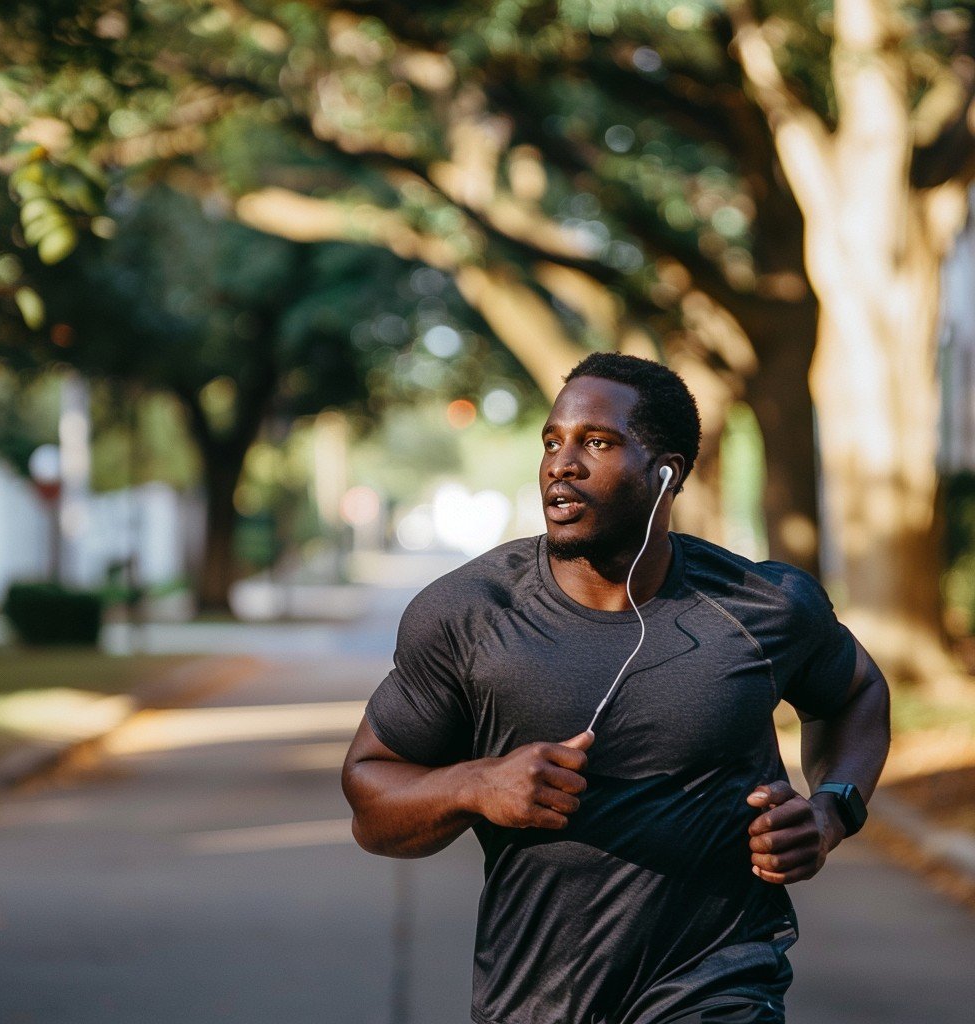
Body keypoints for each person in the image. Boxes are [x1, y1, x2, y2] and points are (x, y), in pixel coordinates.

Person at [342, 353, 891, 1024]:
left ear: (668, 474)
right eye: (552, 441)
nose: (560, 464)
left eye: (596, 442)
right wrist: (477, 786)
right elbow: (371, 799)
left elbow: (858, 692)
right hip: (535, 999)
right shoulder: (472, 613)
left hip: (717, 986)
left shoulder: (762, 605)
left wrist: (831, 812)